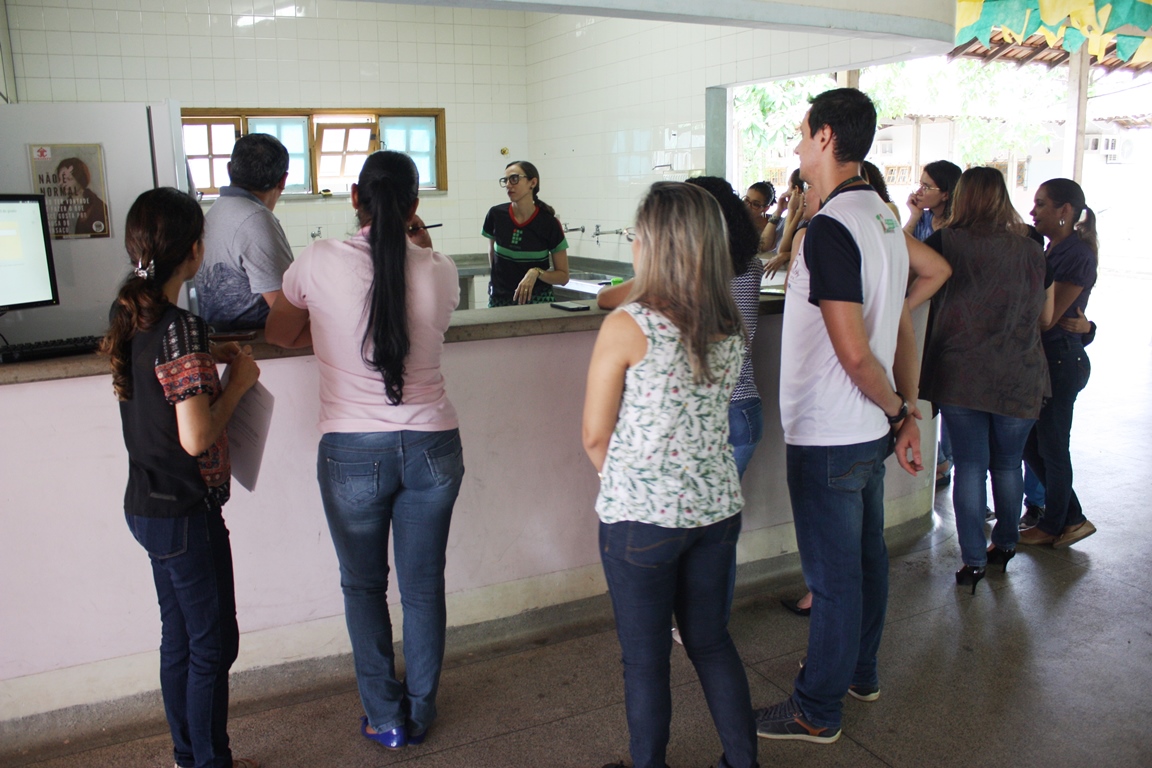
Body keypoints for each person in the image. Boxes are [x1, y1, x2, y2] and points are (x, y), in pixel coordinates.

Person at [264, 150, 465, 750]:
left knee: (363, 586)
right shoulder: (441, 268)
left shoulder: (320, 259)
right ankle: (422, 710)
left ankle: (387, 718)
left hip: (352, 450)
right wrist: (418, 241)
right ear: (414, 207)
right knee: (424, 588)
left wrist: (329, 330)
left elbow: (278, 332)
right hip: (434, 445)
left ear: (355, 197)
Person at [754, 88, 922, 745]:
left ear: (826, 137)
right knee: (866, 561)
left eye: (801, 132)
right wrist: (900, 416)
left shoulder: (831, 229)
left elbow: (854, 351)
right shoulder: (880, 216)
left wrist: (898, 409)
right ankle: (860, 672)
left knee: (833, 579)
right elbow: (896, 328)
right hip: (865, 433)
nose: (795, 144)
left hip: (831, 432)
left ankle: (815, 709)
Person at [584, 181, 758, 768]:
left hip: (642, 521)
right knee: (711, 643)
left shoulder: (629, 325)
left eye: (637, 234)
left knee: (646, 659)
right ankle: (742, 761)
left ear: (654, 245)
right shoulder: (729, 321)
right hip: (717, 510)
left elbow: (593, 434)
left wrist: (635, 486)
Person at [100, 187, 262, 768]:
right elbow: (196, 437)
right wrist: (239, 383)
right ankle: (209, 762)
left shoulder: (134, 315)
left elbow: (163, 370)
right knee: (213, 647)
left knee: (182, 641)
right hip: (184, 512)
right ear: (195, 250)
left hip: (146, 506)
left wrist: (210, 348)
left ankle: (186, 756)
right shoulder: (180, 328)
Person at [917, 167, 1053, 592]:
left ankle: (973, 560)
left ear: (961, 198)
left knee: (971, 467)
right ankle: (1007, 544)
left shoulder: (945, 242)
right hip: (1020, 371)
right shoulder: (1032, 245)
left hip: (962, 372)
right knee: (1008, 464)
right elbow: (1046, 317)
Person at [1019, 178, 1098, 548]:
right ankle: (1071, 518)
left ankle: (1055, 525)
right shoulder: (1054, 249)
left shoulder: (1076, 254)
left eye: (1041, 204)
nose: (1033, 211)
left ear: (1064, 210)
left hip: (1061, 361)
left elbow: (1051, 317)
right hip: (1050, 358)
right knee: (1031, 443)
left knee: (1050, 445)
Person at [193, 133, 294, 331]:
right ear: (283, 180)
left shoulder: (216, 211)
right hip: (256, 348)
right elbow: (287, 311)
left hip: (225, 344)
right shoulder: (255, 220)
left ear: (230, 170)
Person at [482, 160, 570, 306]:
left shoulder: (549, 223)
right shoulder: (495, 215)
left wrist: (537, 272)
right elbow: (493, 257)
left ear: (532, 183)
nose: (509, 185)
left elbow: (563, 276)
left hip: (537, 301)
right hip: (500, 299)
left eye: (514, 179)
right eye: (506, 180)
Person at [55, 157, 109, 236]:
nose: (62, 183)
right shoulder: (64, 206)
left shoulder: (97, 206)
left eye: (68, 179)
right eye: (60, 179)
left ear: (79, 179)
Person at [744, 179, 781, 254]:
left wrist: (779, 211)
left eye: (755, 204)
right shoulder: (737, 221)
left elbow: (762, 247)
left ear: (765, 208)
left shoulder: (777, 224)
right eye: (746, 200)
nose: (748, 206)